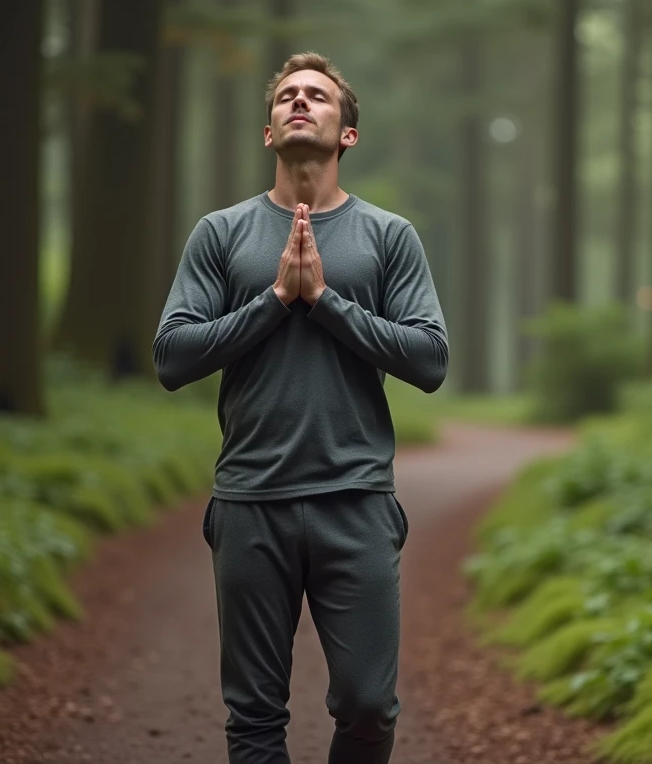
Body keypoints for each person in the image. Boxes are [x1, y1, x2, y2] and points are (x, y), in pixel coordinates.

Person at [152, 52, 448, 764]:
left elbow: (430, 361)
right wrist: (276, 300)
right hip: (251, 499)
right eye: (287, 95)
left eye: (317, 95)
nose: (300, 102)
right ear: (268, 132)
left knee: (369, 708)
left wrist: (324, 302)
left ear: (347, 132)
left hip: (357, 501)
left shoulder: (388, 236)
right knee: (254, 717)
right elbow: (173, 358)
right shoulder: (220, 234)